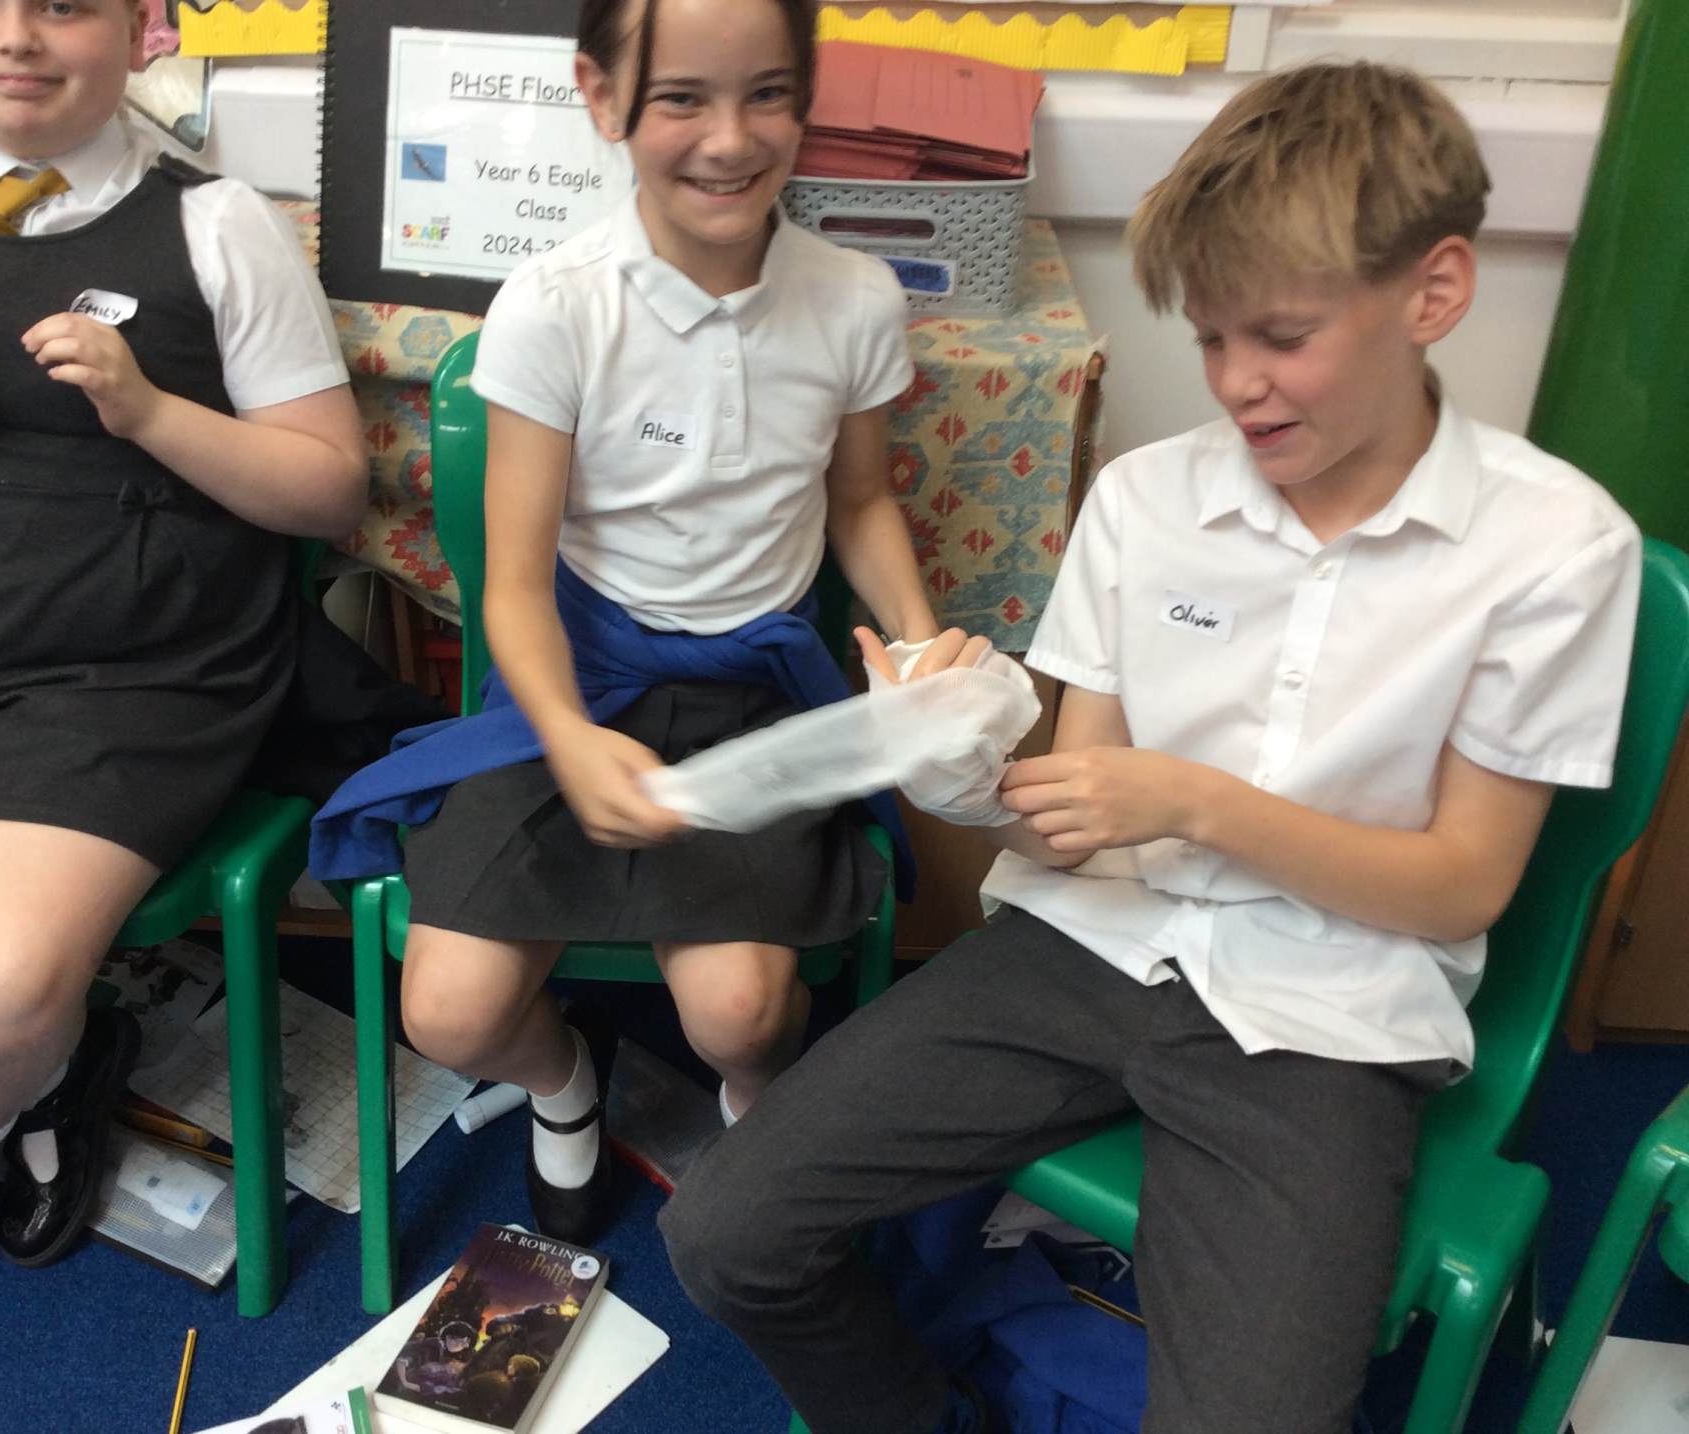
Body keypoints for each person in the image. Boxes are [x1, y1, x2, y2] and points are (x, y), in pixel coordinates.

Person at [659, 61, 1643, 1434]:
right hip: (1090, 944)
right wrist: (960, 765)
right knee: (724, 1231)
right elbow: (1071, 827)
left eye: (1282, 336)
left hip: (1326, 1007)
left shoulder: (1554, 548)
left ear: (1435, 291)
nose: (1238, 384)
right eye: (1212, 337)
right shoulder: (1146, 502)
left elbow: (1462, 885)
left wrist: (1195, 802)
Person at [309, 0, 941, 1246]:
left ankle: (759, 1137)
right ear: (603, 101)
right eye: (682, 99)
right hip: (578, 674)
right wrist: (565, 732)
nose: (730, 138)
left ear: (806, 96)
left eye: (768, 94)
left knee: (742, 1014)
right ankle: (563, 1082)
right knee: (448, 1012)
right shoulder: (556, 303)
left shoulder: (855, 299)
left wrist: (916, 646)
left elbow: (862, 499)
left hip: (755, 691)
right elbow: (513, 583)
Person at [0, 0, 365, 1313]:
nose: (17, 37)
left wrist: (149, 412)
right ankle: (62, 1059)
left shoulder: (218, 225)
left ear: (141, 30)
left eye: (64, 5)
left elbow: (329, 492)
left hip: (132, 673)